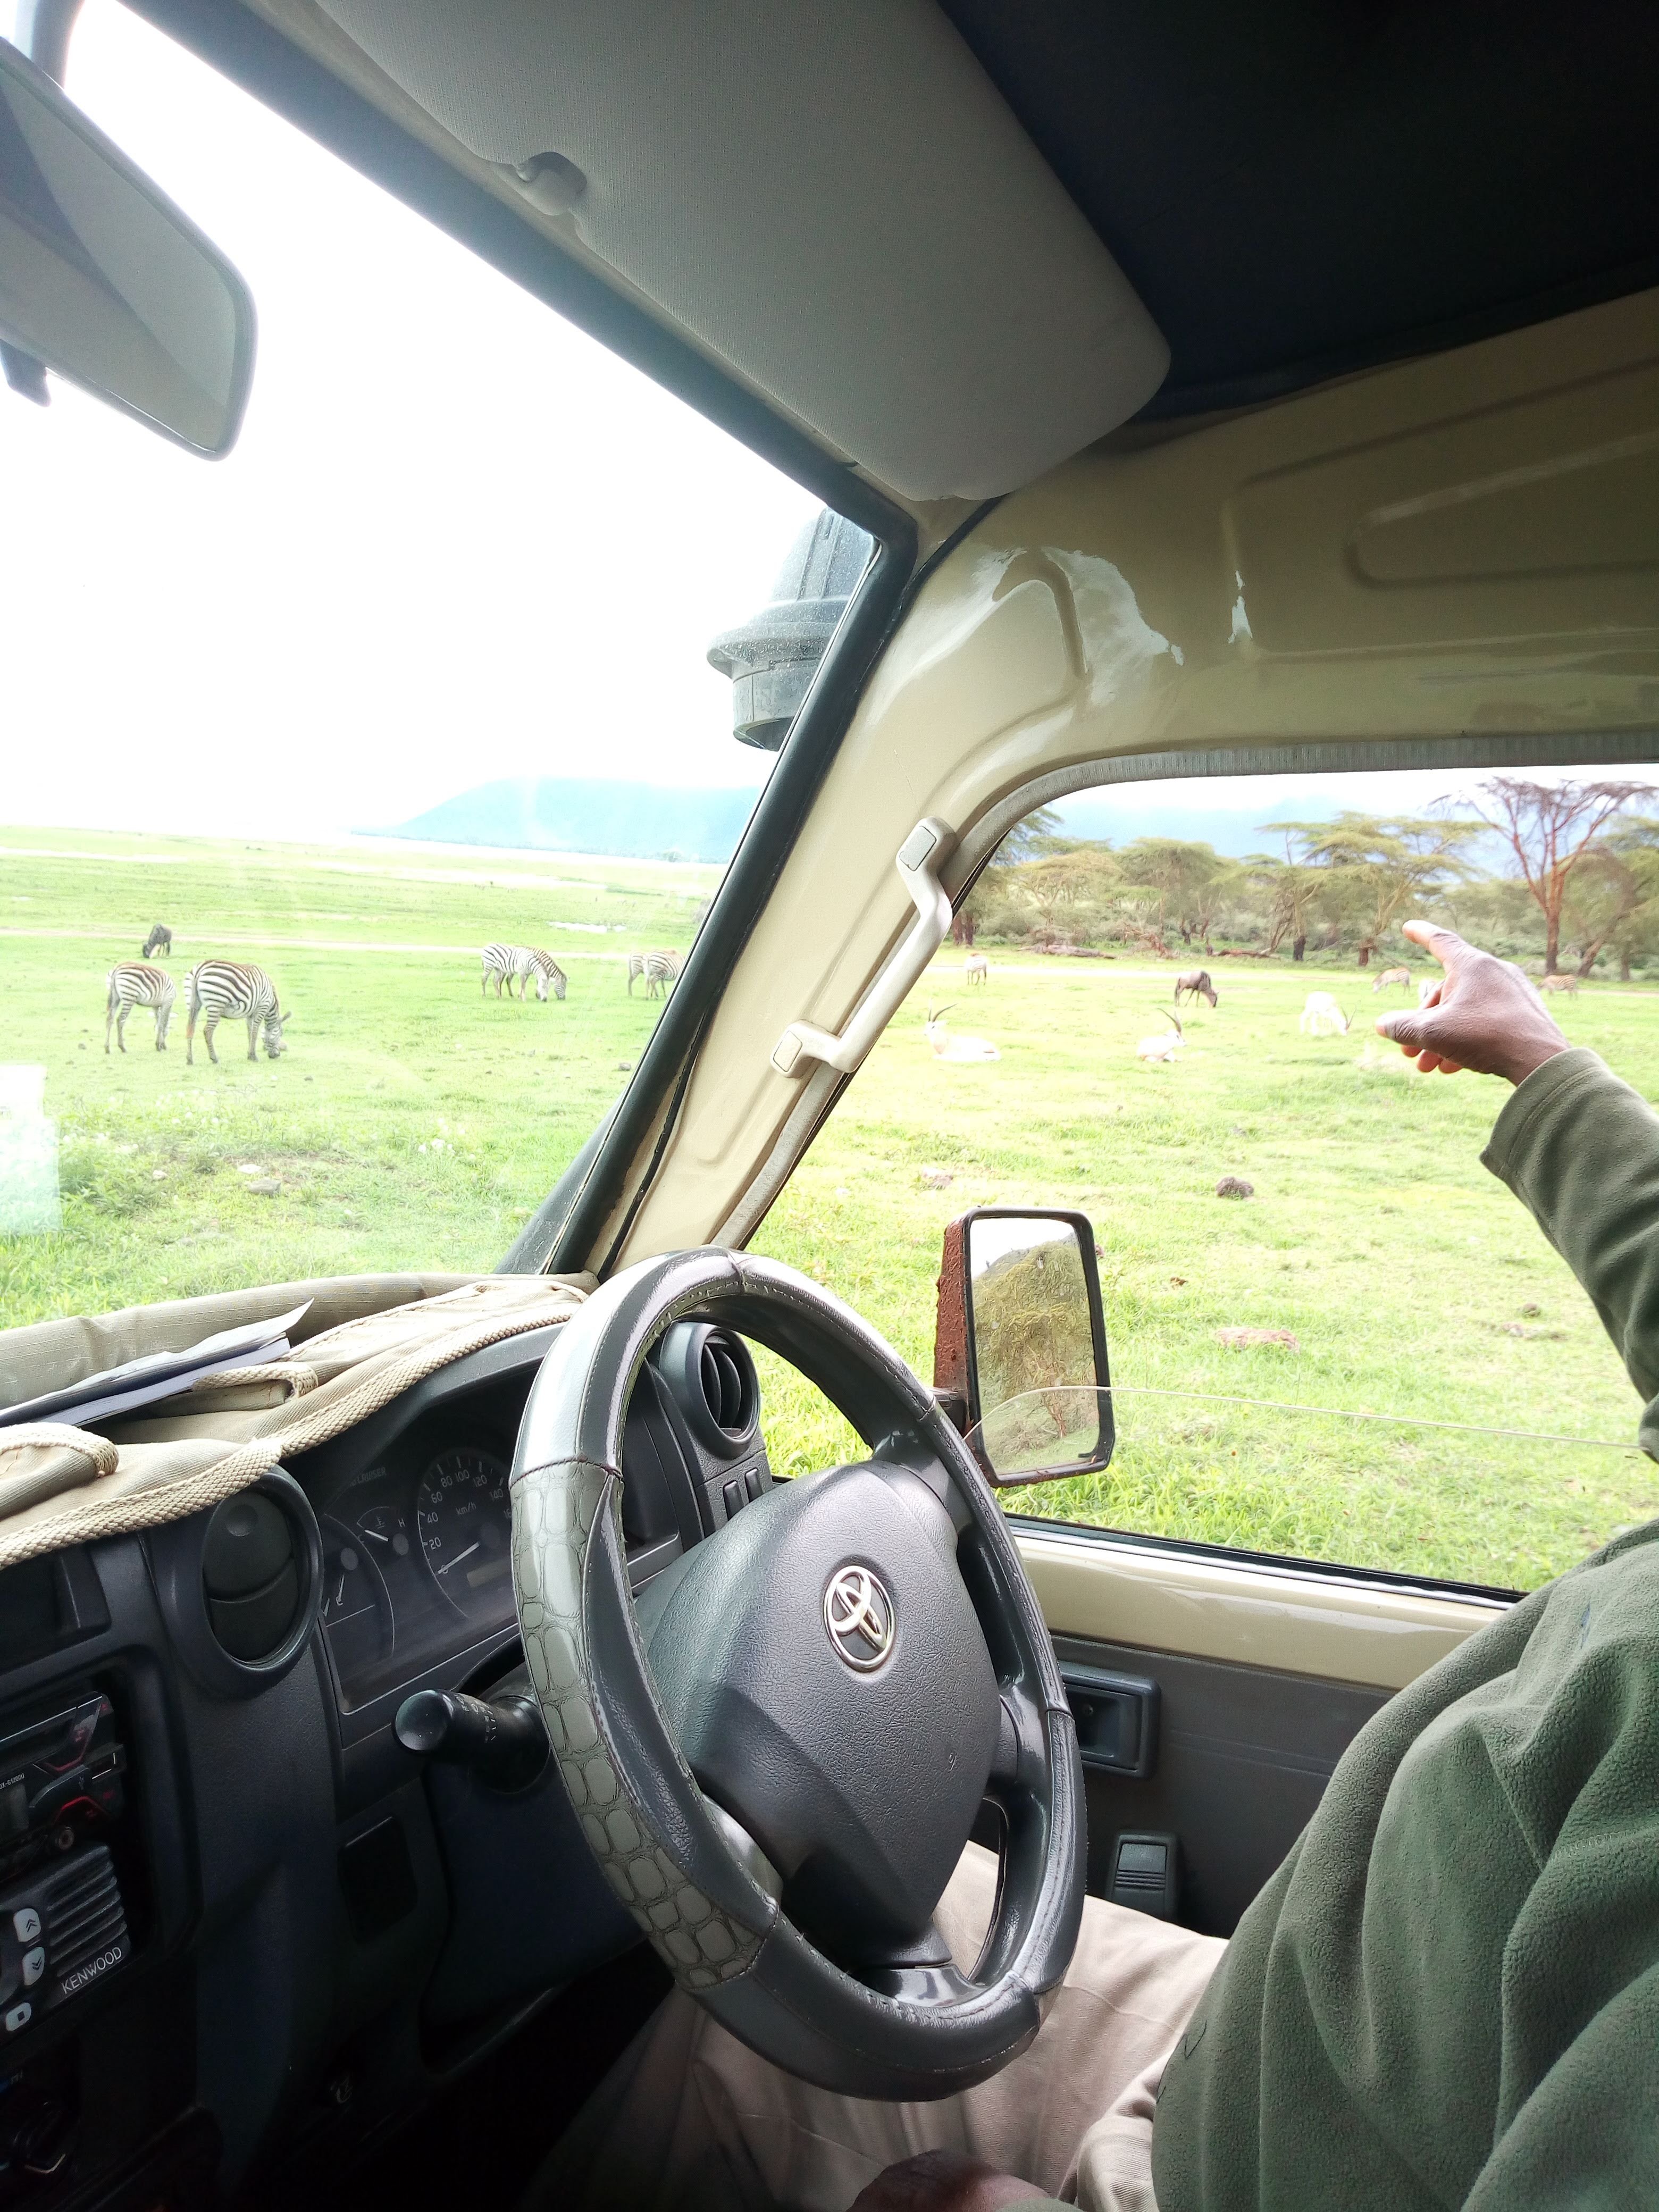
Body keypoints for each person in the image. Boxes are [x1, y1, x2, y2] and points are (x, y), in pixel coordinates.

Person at [529, 921, 1659, 2212]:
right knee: (887, 1916)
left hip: (1225, 2164)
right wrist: (1544, 1064)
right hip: (1317, 2048)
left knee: (729, 2023)